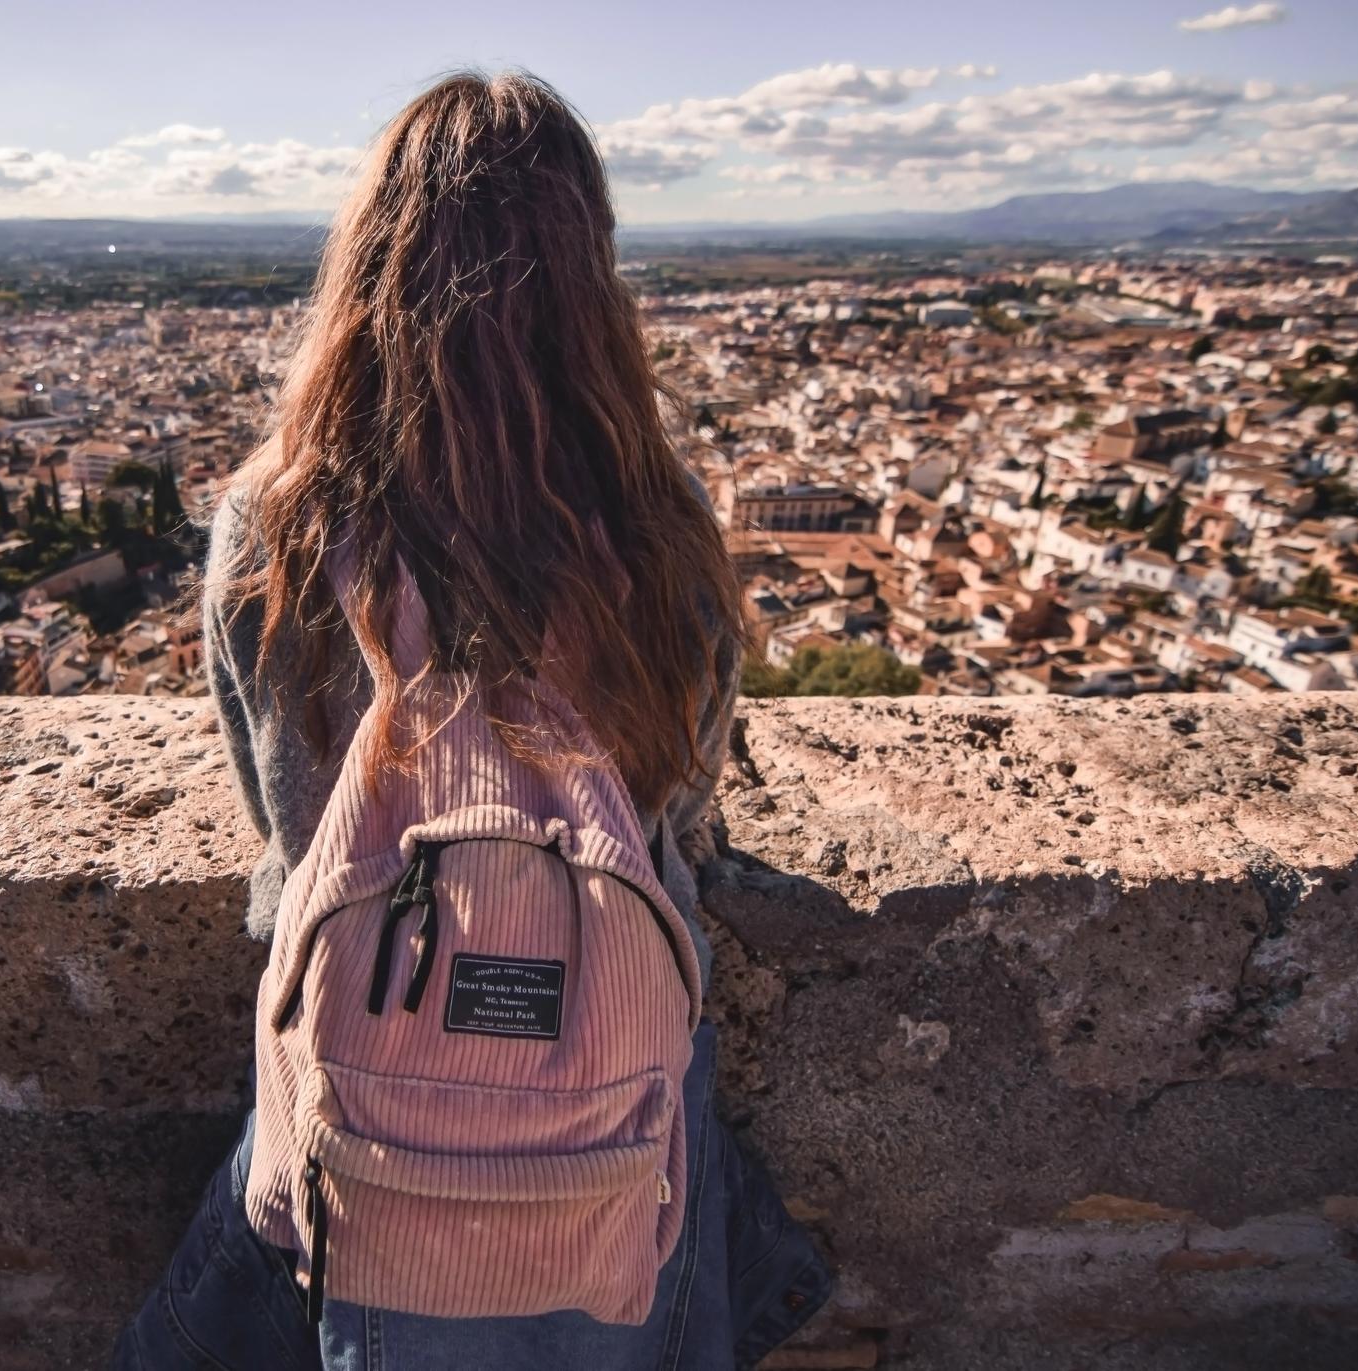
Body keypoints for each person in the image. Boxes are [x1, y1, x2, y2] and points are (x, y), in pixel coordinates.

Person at [112, 69, 830, 1371]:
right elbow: (685, 805)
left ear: (371, 259)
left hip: (359, 1079)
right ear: (589, 272)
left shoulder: (277, 522)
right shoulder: (658, 525)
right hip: (617, 1101)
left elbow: (281, 818)